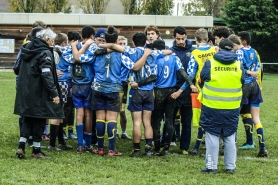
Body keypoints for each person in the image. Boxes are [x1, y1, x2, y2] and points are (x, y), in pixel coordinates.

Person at [83, 27, 151, 156]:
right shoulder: (120, 55)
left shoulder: (96, 52)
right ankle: (111, 149)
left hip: (98, 88)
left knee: (100, 118)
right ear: (116, 40)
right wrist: (145, 55)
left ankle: (101, 148)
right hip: (114, 88)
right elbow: (134, 67)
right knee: (112, 119)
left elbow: (82, 58)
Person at [15, 28, 64, 159]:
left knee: (27, 117)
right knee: (40, 119)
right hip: (39, 92)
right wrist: (54, 93)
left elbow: (16, 68)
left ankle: (21, 146)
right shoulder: (45, 52)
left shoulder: (26, 47)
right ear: (47, 40)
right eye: (52, 41)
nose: (53, 44)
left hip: (25, 90)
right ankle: (36, 150)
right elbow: (46, 74)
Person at [199, 38, 244, 174]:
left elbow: (202, 79)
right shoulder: (238, 65)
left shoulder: (210, 64)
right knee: (229, 136)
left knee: (212, 136)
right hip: (232, 107)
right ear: (233, 49)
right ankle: (230, 167)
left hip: (212, 106)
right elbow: (243, 81)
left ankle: (211, 166)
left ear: (218, 48)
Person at [150, 39, 197, 156]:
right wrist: (190, 83)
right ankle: (166, 148)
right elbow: (182, 72)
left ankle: (156, 148)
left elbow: (153, 75)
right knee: (169, 120)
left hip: (159, 91)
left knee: (156, 121)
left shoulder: (155, 57)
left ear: (155, 49)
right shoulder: (174, 57)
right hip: (171, 91)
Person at [236, 31, 268, 157]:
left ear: (244, 41)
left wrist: (248, 73)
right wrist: (253, 73)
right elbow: (259, 68)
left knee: (235, 115)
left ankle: (231, 145)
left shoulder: (240, 52)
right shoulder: (254, 52)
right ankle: (262, 147)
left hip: (245, 86)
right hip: (255, 86)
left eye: (239, 40)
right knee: (255, 118)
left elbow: (239, 67)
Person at [186, 28, 216, 155]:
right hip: (215, 87)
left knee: (203, 117)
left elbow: (190, 73)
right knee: (214, 117)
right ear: (208, 39)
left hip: (201, 89)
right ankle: (212, 144)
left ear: (196, 40)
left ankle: (197, 145)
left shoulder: (195, 53)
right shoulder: (215, 50)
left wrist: (189, 84)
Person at [169, 26, 195, 155]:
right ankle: (166, 144)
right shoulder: (170, 51)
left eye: (182, 38)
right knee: (170, 119)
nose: (180, 41)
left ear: (186, 37)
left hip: (188, 91)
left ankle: (184, 147)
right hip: (174, 89)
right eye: (178, 38)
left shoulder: (193, 51)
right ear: (174, 38)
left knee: (186, 121)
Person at [47, 33, 74, 151]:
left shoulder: (51, 51)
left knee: (61, 114)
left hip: (57, 83)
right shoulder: (63, 52)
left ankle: (61, 141)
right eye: (67, 42)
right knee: (58, 113)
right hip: (62, 83)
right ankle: (52, 144)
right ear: (64, 43)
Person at [117, 35, 132, 140]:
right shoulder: (114, 55)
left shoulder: (128, 55)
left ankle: (123, 132)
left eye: (124, 44)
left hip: (124, 84)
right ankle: (115, 132)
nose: (122, 46)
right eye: (120, 44)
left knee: (122, 110)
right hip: (114, 84)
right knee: (114, 110)